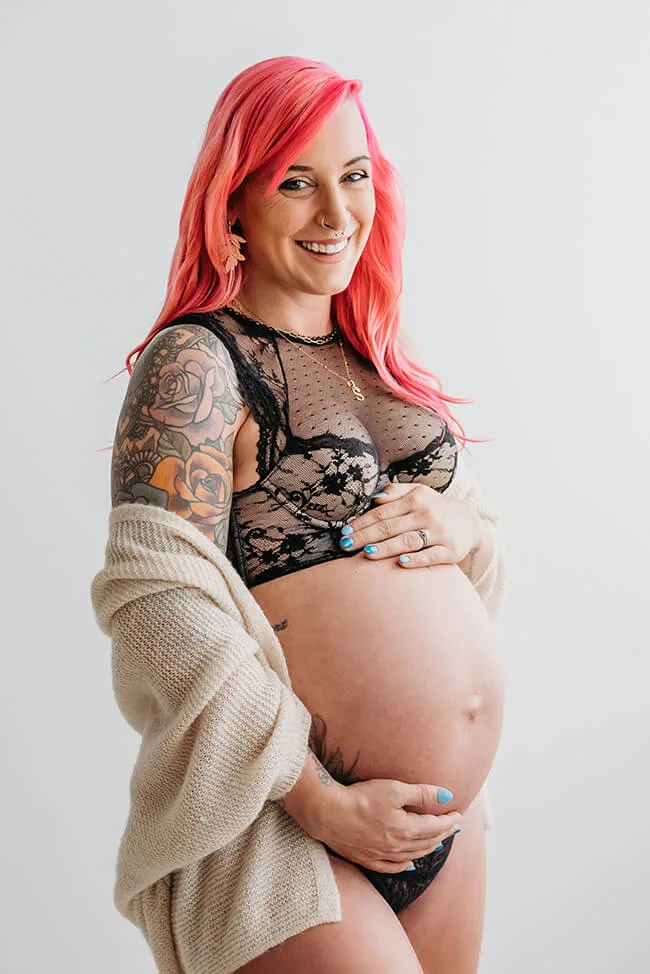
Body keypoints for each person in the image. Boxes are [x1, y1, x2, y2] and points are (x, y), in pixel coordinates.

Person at [104, 55, 507, 974]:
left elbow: (479, 562)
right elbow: (157, 614)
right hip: (284, 819)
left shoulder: (382, 367)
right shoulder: (199, 363)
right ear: (232, 202)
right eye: (296, 181)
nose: (336, 214)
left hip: (441, 820)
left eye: (354, 176)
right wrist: (318, 796)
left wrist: (467, 533)